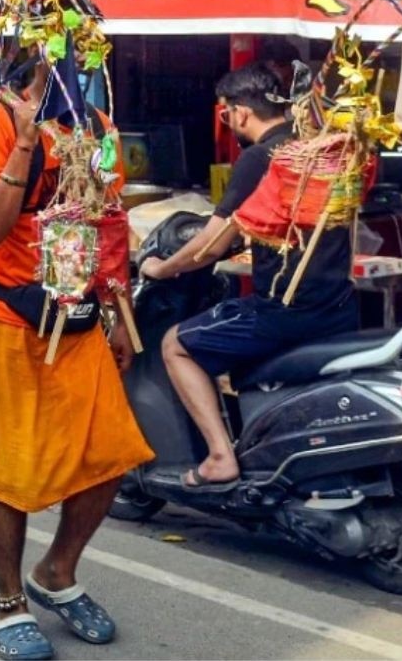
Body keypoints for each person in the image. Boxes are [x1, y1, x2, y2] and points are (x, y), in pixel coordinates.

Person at [0, 56, 153, 661]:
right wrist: (24, 141)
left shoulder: (96, 127)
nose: (75, 58)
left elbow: (111, 223)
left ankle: (57, 571)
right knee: (14, 472)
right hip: (8, 319)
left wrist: (120, 317)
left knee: (112, 454)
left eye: (84, 44)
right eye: (60, 42)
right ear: (34, 52)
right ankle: (8, 601)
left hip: (76, 320)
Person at [140, 63, 359, 488]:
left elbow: (211, 244)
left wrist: (161, 267)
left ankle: (221, 457)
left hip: (286, 311)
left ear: (239, 113)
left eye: (226, 113)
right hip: (337, 304)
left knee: (176, 345)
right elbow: (273, 224)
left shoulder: (262, 158)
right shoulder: (311, 150)